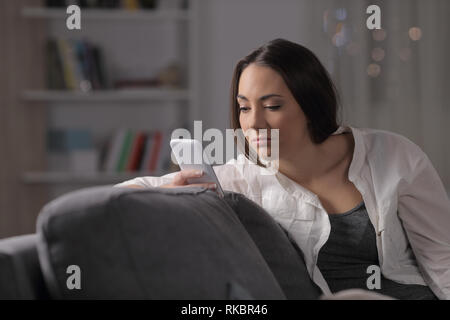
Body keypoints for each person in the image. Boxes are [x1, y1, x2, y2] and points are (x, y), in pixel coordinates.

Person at [116, 38, 450, 300]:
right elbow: (117, 199)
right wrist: (169, 188)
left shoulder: (393, 155)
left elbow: (442, 260)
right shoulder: (241, 179)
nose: (254, 123)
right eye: (244, 108)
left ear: (310, 103)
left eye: (272, 106)